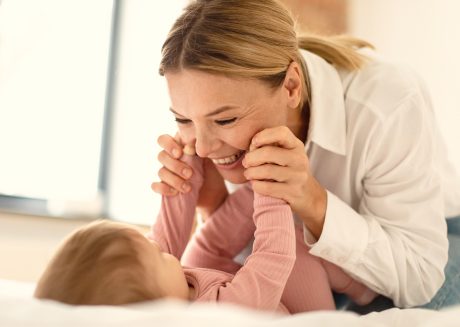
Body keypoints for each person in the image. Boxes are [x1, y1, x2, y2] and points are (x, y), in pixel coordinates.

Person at [152, 0, 460, 312]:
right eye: (183, 119)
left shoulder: (387, 102)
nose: (202, 147)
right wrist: (212, 205)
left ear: (291, 86)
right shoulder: (217, 122)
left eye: (225, 120)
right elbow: (261, 259)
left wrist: (312, 200)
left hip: (426, 244)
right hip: (312, 257)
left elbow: (420, 277)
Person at [34, 153, 374, 312]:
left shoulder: (167, 282)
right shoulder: (222, 314)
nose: (160, 247)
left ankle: (250, 193)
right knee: (297, 252)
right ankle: (360, 291)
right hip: (301, 310)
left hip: (221, 280)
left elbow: (167, 235)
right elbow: (273, 259)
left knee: (201, 246)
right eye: (154, 254)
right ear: (155, 304)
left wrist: (184, 175)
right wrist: (272, 190)